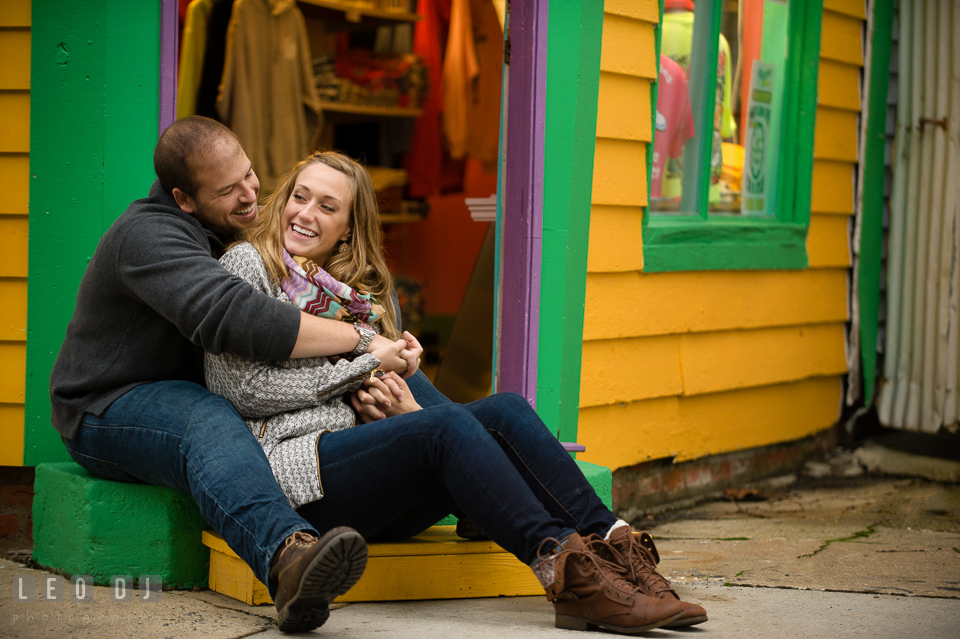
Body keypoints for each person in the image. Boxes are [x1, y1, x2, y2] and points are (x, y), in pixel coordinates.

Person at [204, 151, 710, 633]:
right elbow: (238, 389)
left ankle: (619, 552)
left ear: (348, 230)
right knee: (443, 425)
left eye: (327, 206)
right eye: (300, 196)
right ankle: (569, 576)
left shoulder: (360, 298)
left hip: (371, 484)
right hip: (301, 480)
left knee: (507, 409)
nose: (305, 214)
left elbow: (384, 407)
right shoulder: (249, 265)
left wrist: (406, 410)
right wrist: (362, 368)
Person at [48, 116, 435, 633]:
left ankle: (472, 456)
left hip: (190, 391)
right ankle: (288, 560)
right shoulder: (149, 236)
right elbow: (235, 318)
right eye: (229, 189)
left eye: (250, 174)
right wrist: (363, 341)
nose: (251, 195)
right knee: (203, 417)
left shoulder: (229, 225)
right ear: (185, 199)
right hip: (107, 405)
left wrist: (385, 358)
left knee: (397, 384)